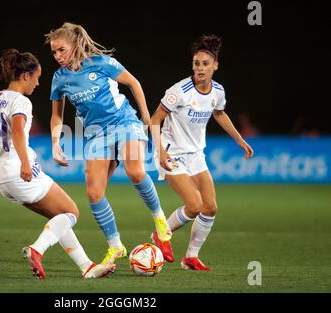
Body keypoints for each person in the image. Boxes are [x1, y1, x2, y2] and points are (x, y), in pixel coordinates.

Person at [0, 48, 115, 279]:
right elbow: (19, 131)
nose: (38, 84)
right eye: (37, 78)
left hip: (1, 176)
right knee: (71, 212)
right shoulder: (21, 102)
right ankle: (36, 249)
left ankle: (86, 266)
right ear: (26, 76)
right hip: (18, 169)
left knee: (59, 217)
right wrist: (24, 163)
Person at [45, 22, 173, 266]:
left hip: (123, 121)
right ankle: (115, 247)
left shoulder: (100, 63)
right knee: (94, 193)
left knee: (135, 171)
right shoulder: (59, 78)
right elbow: (57, 115)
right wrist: (55, 143)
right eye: (53, 52)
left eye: (61, 50)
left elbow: (133, 83)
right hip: (96, 134)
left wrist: (146, 117)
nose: (57, 56)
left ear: (74, 45)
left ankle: (160, 220)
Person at [150, 35, 254, 270]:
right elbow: (154, 120)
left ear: (215, 65)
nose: (200, 68)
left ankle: (190, 257)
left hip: (195, 154)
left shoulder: (217, 91)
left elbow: (219, 113)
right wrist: (160, 152)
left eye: (205, 64)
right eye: (196, 63)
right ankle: (161, 234)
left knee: (210, 207)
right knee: (194, 205)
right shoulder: (179, 91)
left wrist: (239, 140)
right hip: (171, 152)